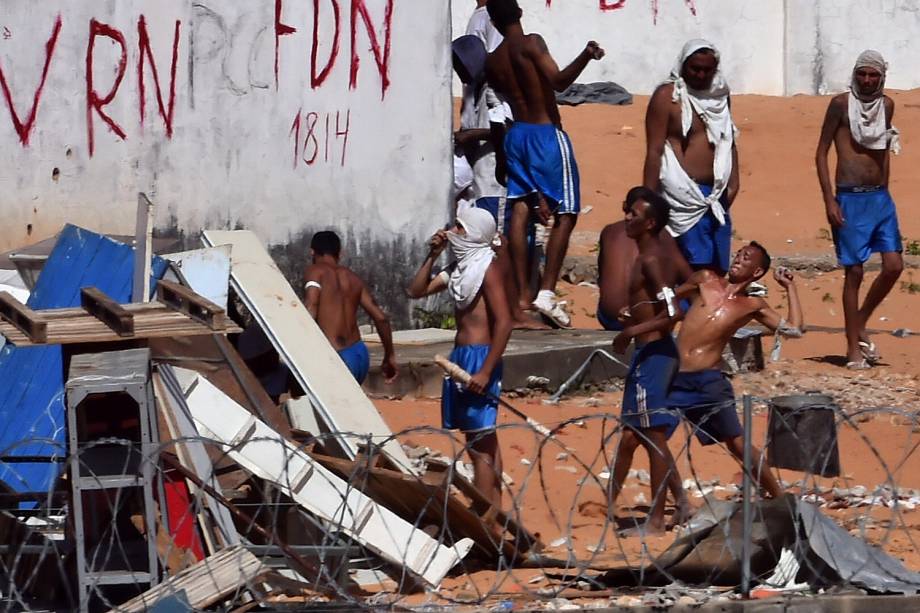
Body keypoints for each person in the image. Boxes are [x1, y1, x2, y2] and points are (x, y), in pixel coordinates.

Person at [484, 0, 604, 327]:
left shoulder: (493, 61)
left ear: (492, 21)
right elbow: (559, 81)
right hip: (545, 135)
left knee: (520, 211)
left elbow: (502, 102)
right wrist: (586, 55)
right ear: (519, 13)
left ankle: (523, 295)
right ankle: (547, 291)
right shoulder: (532, 43)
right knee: (567, 212)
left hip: (516, 135)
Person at [668, 243, 804, 500]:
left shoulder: (751, 305)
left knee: (737, 444)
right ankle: (679, 503)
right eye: (739, 253)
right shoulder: (705, 280)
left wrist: (790, 287)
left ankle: (778, 497)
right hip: (675, 376)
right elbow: (670, 297)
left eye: (747, 258)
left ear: (757, 272)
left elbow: (795, 329)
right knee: (650, 436)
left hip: (708, 380)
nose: (739, 258)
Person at [407, 207, 513, 509]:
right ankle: (493, 509)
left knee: (480, 443)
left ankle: (482, 512)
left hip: (480, 358)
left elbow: (504, 322)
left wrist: (485, 371)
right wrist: (432, 255)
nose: (454, 231)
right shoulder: (460, 269)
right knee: (480, 440)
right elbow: (416, 291)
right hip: (461, 357)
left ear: (476, 234)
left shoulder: (486, 268)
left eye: (460, 227)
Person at [607, 187, 689, 535]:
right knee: (633, 435)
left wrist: (630, 331)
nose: (627, 218)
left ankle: (656, 520)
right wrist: (636, 314)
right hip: (648, 352)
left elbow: (672, 314)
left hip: (654, 354)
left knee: (651, 435)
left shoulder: (652, 259)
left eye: (635, 215)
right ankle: (676, 501)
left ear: (650, 223)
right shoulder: (649, 256)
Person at [815, 50, 903, 370]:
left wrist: (886, 190)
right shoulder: (840, 105)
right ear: (855, 74)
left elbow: (883, 151)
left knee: (894, 265)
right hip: (849, 199)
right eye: (863, 74)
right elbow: (821, 153)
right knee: (854, 272)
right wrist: (829, 200)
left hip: (879, 198)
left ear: (882, 77)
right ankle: (853, 346)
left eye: (873, 75)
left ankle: (861, 320)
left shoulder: (887, 106)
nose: (867, 81)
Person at [643, 40, 739, 276]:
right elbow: (654, 150)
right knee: (690, 269)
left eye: (707, 69)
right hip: (682, 195)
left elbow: (727, 138)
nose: (700, 74)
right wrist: (647, 199)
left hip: (715, 197)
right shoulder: (668, 97)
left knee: (716, 269)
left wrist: (734, 181)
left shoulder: (720, 95)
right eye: (695, 68)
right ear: (684, 66)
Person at [303, 231, 398, 385]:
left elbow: (311, 306)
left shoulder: (315, 272)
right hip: (359, 355)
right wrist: (390, 355)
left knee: (328, 407)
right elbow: (381, 318)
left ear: (312, 252)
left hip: (337, 357)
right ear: (340, 253)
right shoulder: (353, 278)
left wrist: (302, 349)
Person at [597, 189, 692, 332]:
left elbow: (602, 274)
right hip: (638, 321)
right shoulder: (661, 239)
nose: (628, 217)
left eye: (634, 214)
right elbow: (687, 278)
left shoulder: (609, 231)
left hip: (612, 317)